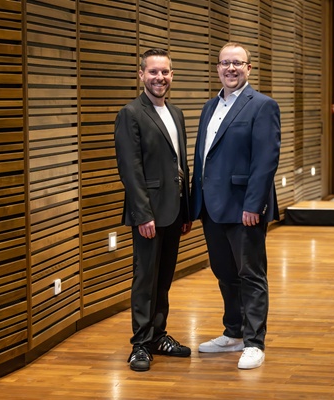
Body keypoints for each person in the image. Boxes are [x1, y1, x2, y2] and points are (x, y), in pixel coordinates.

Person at [190, 42, 281, 370]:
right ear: (217, 68)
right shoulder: (209, 107)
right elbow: (202, 158)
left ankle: (254, 342)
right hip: (211, 207)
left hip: (244, 208)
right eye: (225, 63)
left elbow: (266, 160)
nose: (231, 68)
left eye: (237, 63)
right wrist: (194, 203)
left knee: (251, 274)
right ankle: (234, 333)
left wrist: (254, 204)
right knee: (225, 273)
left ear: (249, 68)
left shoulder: (263, 105)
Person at [114, 48, 192, 372]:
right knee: (145, 279)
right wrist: (142, 214)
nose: (160, 77)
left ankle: (158, 335)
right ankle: (141, 344)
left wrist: (186, 210)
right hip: (149, 213)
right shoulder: (131, 113)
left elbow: (180, 164)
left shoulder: (176, 113)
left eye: (165, 72)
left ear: (172, 75)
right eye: (153, 72)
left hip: (174, 211)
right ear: (141, 75)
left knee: (163, 279)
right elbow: (130, 170)